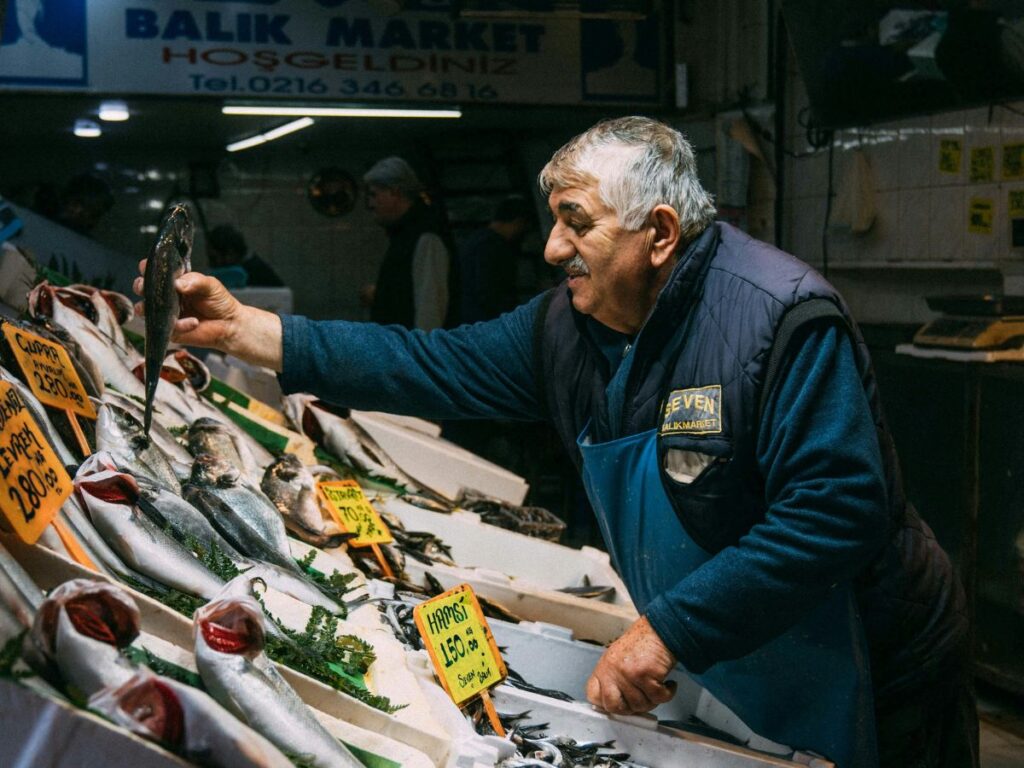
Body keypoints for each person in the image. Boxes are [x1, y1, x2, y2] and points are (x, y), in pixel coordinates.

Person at [136, 116, 975, 768]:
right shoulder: (565, 330)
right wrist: (249, 330)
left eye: (575, 223)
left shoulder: (779, 318)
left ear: (658, 233)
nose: (550, 249)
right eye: (552, 221)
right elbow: (430, 362)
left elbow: (836, 511)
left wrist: (667, 630)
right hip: (738, 650)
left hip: (870, 652)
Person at [362, 156, 451, 331]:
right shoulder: (407, 234)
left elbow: (430, 309)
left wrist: (420, 356)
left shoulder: (425, 236)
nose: (371, 204)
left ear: (394, 192)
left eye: (374, 194)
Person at [458, 195, 531, 324]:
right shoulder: (494, 246)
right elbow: (490, 291)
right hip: (490, 320)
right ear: (518, 222)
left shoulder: (475, 240)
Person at [206, 223, 284, 288]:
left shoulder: (252, 273)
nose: (213, 264)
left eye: (214, 258)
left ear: (230, 253)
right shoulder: (253, 267)